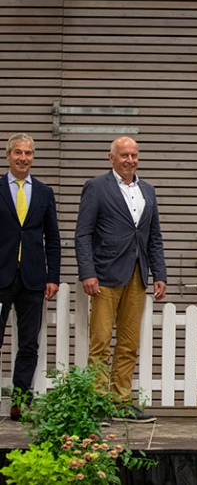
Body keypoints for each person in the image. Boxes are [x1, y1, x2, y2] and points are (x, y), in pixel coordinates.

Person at [75, 136, 167, 423]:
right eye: (124, 155)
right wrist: (87, 272)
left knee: (128, 344)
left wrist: (159, 274)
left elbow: (154, 238)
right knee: (100, 344)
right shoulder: (96, 187)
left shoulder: (148, 191)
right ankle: (98, 404)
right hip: (104, 276)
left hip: (137, 276)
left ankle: (121, 401)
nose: (130, 160)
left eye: (134, 155)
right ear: (111, 157)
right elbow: (83, 234)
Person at [0, 133, 60, 421]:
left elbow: (53, 239)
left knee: (28, 344)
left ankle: (20, 401)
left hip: (34, 280)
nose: (24, 158)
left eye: (28, 153)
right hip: (1, 278)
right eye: (18, 153)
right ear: (8, 155)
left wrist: (53, 276)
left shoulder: (45, 193)